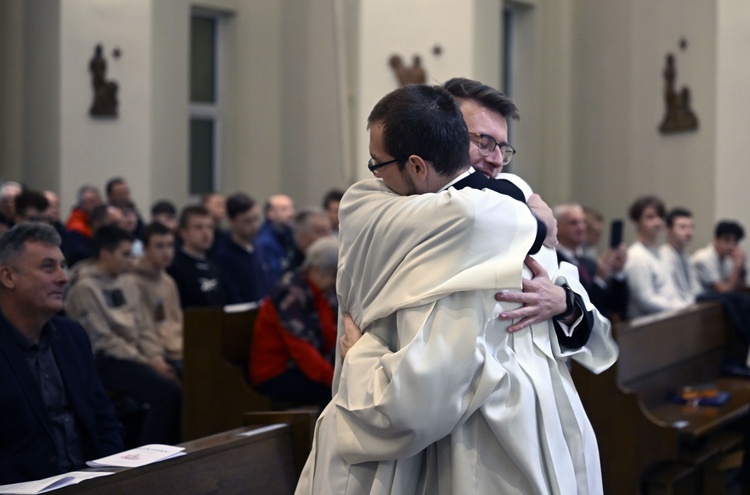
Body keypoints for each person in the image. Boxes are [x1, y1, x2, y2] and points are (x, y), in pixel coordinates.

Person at [296, 85, 617, 495]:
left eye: (503, 146)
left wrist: (565, 304)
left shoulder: (513, 201)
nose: (496, 158)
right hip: (475, 437)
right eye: (481, 141)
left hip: (542, 416)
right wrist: (533, 222)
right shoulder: (409, 210)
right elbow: (417, 399)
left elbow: (587, 316)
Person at [0, 223, 124, 483]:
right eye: (48, 267)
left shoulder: (71, 336)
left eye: (63, 265)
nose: (63, 277)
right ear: (8, 277)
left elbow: (104, 419)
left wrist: (110, 478)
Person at [64, 225, 181, 445]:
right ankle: (151, 456)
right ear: (105, 254)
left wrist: (156, 358)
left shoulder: (127, 281)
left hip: (134, 355)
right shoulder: (84, 288)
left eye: (132, 254)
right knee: (166, 393)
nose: (131, 261)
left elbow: (144, 327)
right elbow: (102, 339)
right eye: (125, 255)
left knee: (183, 378)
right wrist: (147, 363)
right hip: (105, 360)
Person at [249, 236, 338, 407]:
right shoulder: (290, 293)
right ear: (318, 269)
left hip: (300, 369)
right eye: (333, 274)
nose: (335, 281)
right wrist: (333, 378)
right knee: (333, 395)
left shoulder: (322, 291)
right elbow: (301, 348)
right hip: (277, 373)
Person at [555, 202, 628, 319]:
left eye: (583, 222)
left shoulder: (590, 263)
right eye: (573, 223)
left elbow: (615, 306)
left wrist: (619, 273)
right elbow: (578, 309)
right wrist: (599, 279)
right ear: (557, 226)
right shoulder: (554, 262)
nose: (582, 227)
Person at [623, 195, 691, 318]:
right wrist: (681, 308)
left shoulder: (661, 253)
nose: (657, 222)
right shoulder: (636, 256)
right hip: (646, 326)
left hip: (669, 318)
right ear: (637, 221)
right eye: (650, 217)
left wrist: (684, 305)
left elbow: (670, 291)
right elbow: (646, 301)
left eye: (660, 217)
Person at [131, 222, 184, 371]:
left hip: (177, 347)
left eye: (170, 245)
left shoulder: (168, 281)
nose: (166, 252)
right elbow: (142, 330)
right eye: (159, 246)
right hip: (156, 353)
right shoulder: (132, 282)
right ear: (145, 249)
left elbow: (176, 321)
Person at [215, 193, 270, 304]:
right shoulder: (223, 256)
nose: (254, 225)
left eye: (256, 219)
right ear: (232, 221)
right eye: (247, 221)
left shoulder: (260, 249)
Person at [167, 205, 224, 308]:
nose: (206, 233)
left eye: (210, 227)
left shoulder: (214, 265)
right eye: (198, 227)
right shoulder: (174, 267)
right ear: (184, 232)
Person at [660, 208, 703, 301]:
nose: (689, 232)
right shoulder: (663, 257)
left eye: (691, 227)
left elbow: (695, 289)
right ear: (668, 229)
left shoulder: (686, 256)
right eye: (682, 227)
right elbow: (672, 293)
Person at [692, 220, 747, 293]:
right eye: (727, 240)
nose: (731, 246)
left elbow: (740, 287)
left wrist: (741, 265)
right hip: (700, 299)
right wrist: (736, 267)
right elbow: (723, 291)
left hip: (715, 299)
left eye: (735, 242)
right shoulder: (703, 259)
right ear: (716, 239)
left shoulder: (727, 259)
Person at [255, 194, 297, 284]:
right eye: (284, 209)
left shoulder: (292, 235)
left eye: (291, 208)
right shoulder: (263, 241)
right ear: (271, 213)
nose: (290, 214)